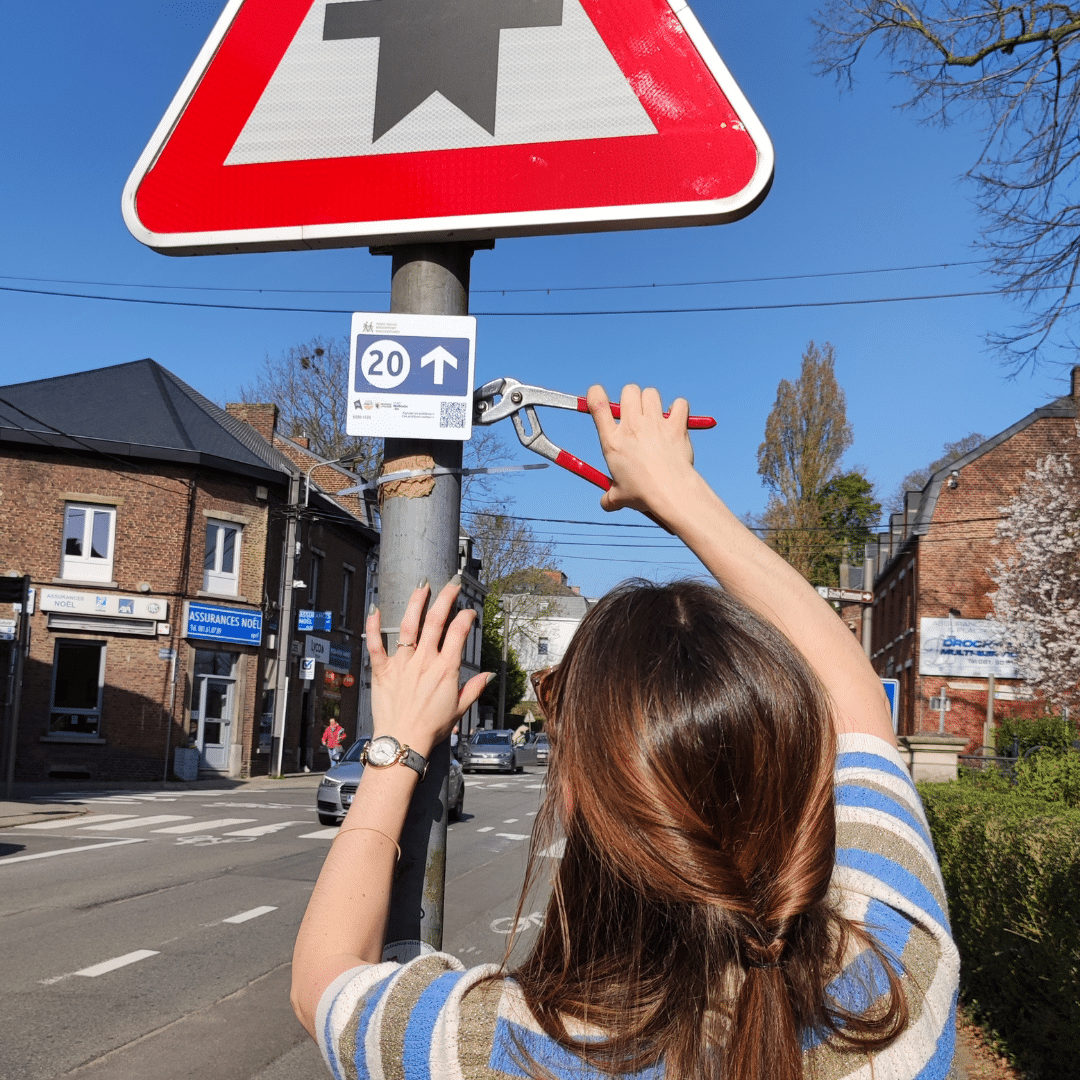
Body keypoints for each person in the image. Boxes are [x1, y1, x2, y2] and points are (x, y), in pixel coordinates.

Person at [291, 385, 959, 1080]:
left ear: (581, 791)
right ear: (800, 774)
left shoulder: (488, 1049)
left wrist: (394, 747)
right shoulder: (896, 989)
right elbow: (856, 701)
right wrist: (683, 494)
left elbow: (320, 979)